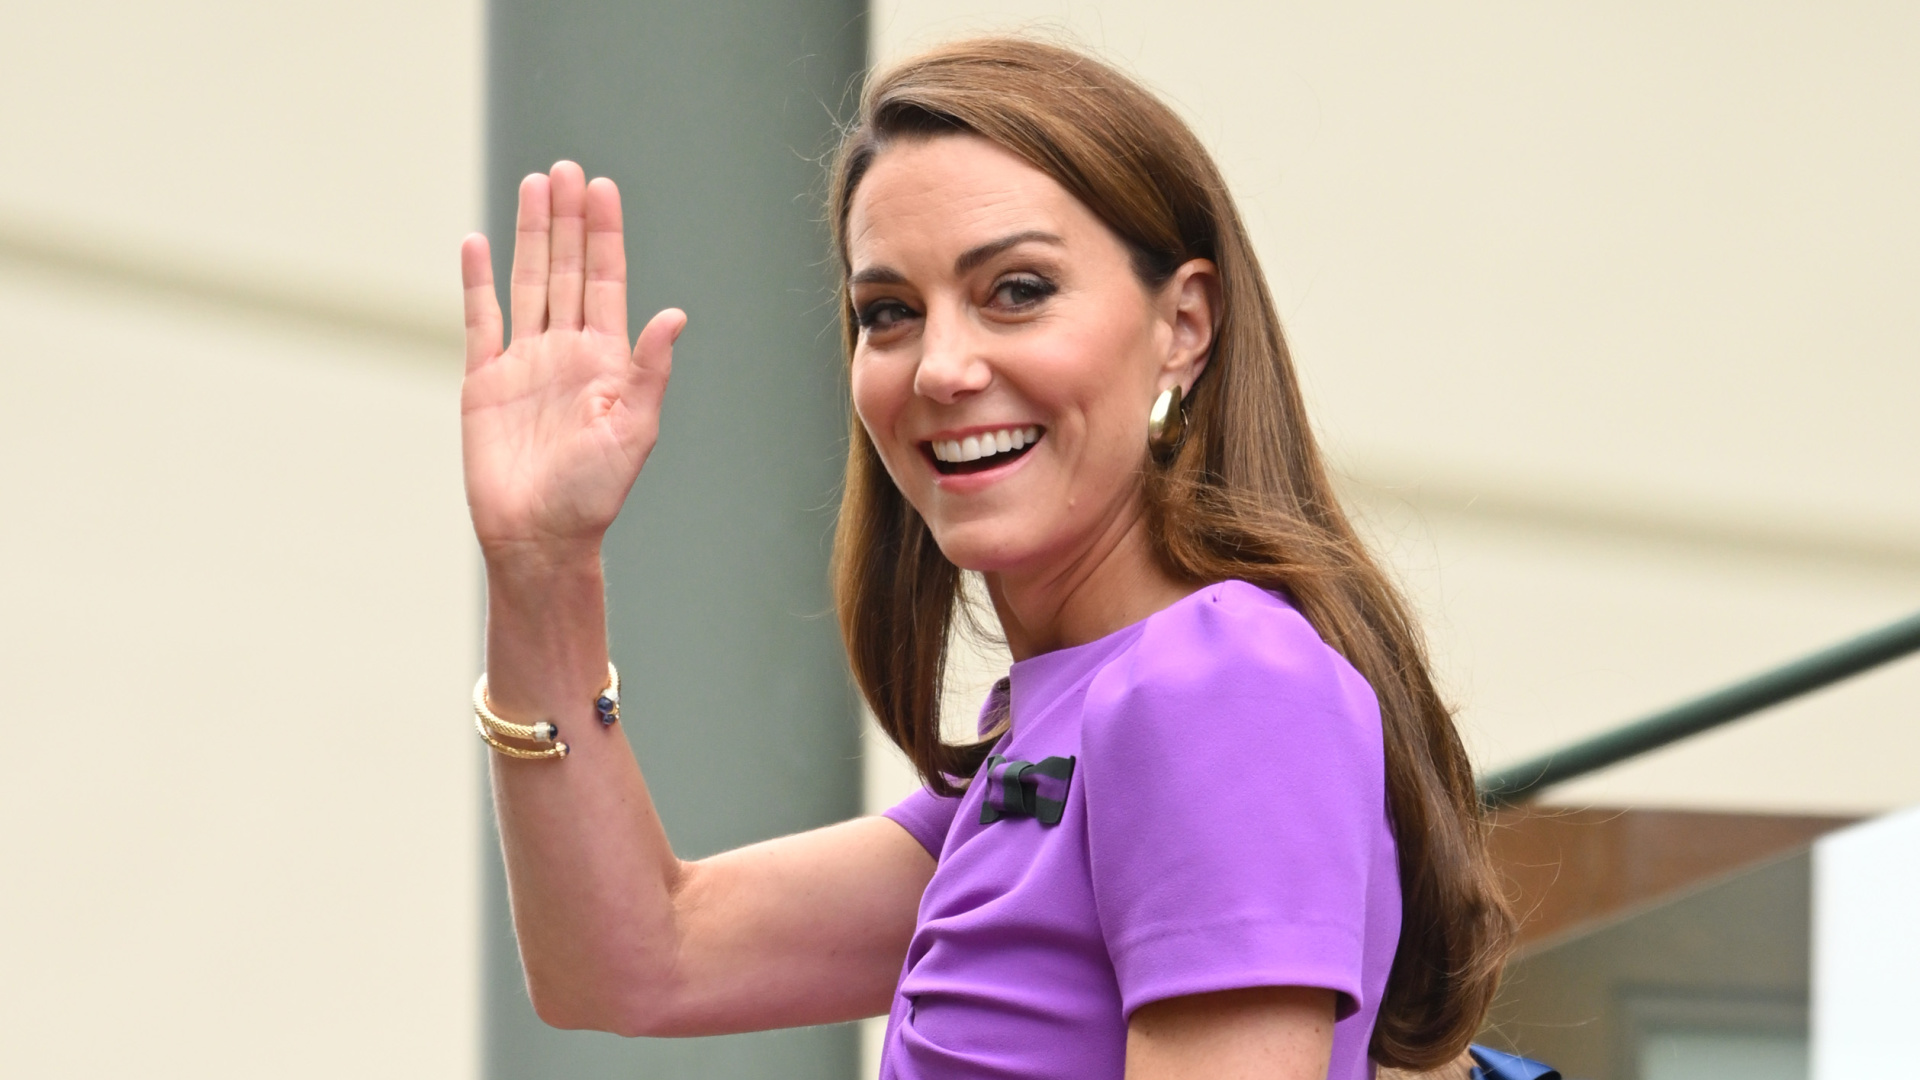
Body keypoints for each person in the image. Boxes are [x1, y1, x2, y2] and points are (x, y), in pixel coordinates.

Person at [458, 36, 1515, 1080]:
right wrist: (542, 567)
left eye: (1017, 290)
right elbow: (637, 960)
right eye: (890, 314)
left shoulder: (1217, 682)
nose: (945, 368)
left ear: (1184, 325)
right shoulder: (1061, 739)